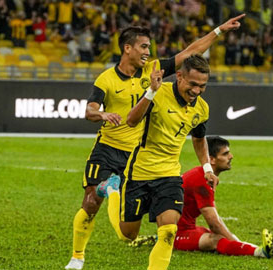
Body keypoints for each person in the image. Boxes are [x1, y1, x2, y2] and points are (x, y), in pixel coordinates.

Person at [65, 14, 246, 270]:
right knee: (92, 202)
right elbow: (90, 111)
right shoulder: (106, 79)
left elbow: (191, 52)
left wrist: (219, 30)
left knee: (153, 229)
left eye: (149, 47)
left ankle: (121, 195)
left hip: (140, 155)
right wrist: (103, 114)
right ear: (127, 48)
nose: (148, 52)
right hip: (109, 149)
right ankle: (77, 257)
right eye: (143, 47)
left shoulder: (155, 70)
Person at [101, 54, 214, 270]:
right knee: (128, 235)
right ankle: (112, 190)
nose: (197, 91)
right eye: (193, 84)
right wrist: (151, 92)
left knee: (169, 230)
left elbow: (199, 139)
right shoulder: (158, 92)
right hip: (139, 173)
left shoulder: (202, 108)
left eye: (202, 86)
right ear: (179, 76)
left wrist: (207, 167)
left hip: (169, 176)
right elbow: (132, 121)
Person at [175, 136, 273, 258]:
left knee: (219, 235)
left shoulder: (202, 175)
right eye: (225, 154)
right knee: (214, 240)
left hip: (186, 228)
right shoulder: (202, 181)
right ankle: (259, 252)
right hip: (176, 235)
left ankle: (257, 249)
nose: (231, 156)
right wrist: (237, 242)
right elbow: (214, 223)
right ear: (212, 160)